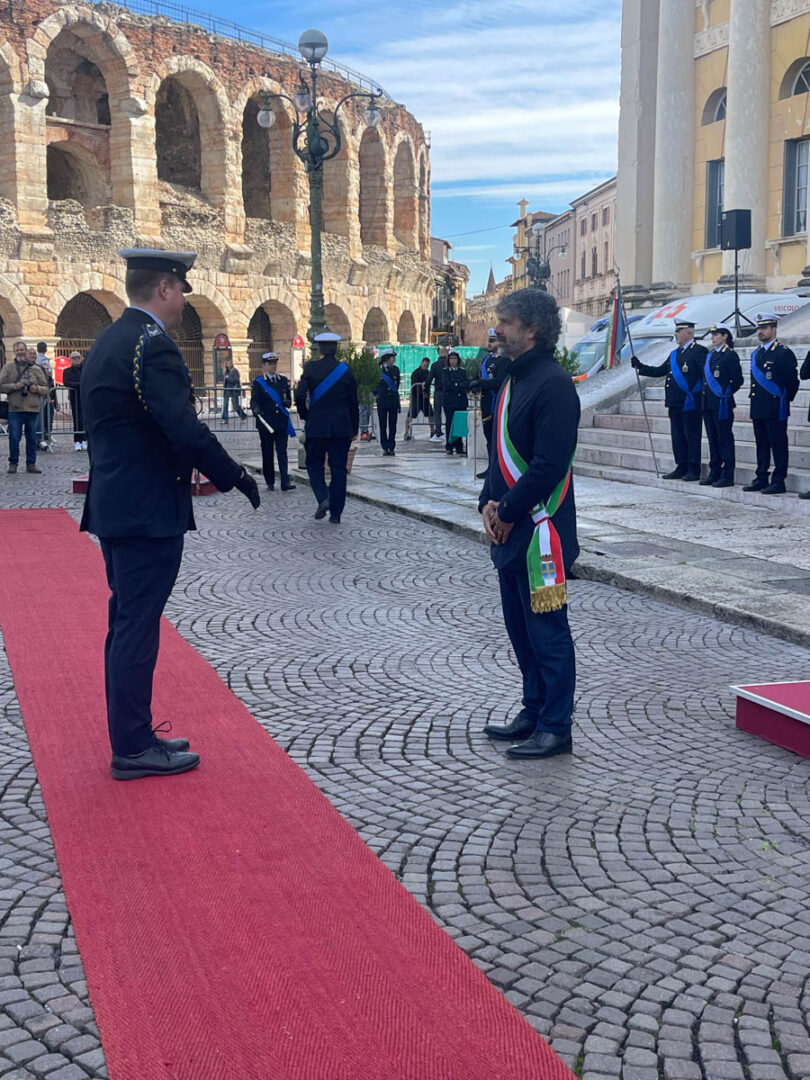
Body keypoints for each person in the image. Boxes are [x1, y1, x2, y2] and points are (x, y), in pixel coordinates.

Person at [80, 248, 260, 781]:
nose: (183, 299)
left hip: (118, 502)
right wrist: (235, 475)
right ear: (163, 288)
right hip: (145, 510)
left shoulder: (110, 340)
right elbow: (182, 427)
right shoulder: (151, 346)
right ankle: (132, 746)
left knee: (126, 623)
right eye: (181, 289)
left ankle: (132, 732)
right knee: (136, 627)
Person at [479, 288, 579, 761]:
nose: (495, 330)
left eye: (504, 322)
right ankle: (533, 710)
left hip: (541, 530)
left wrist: (508, 510)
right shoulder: (512, 381)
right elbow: (496, 458)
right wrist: (486, 503)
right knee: (520, 630)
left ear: (532, 329)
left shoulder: (555, 384)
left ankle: (557, 726)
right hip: (510, 527)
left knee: (548, 634)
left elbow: (548, 465)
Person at [294, 330, 359, 524]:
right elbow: (353, 403)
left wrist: (306, 415)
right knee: (339, 469)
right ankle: (336, 514)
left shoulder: (311, 368)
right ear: (336, 348)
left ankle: (323, 498)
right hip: (341, 428)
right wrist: (354, 428)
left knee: (314, 464)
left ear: (320, 348)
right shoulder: (345, 370)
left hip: (317, 427)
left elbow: (299, 395)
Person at [631, 319, 706, 481]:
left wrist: (700, 397)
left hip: (690, 402)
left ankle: (693, 468)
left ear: (689, 333)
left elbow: (704, 377)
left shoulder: (699, 351)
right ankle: (681, 465)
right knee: (678, 435)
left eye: (679, 331)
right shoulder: (675, 353)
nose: (676, 335)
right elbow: (661, 371)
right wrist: (640, 366)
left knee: (691, 435)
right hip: (675, 402)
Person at [743, 313, 799, 495]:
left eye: (765, 328)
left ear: (774, 329)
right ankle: (761, 477)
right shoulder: (757, 354)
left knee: (778, 445)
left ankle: (778, 480)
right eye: (759, 328)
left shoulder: (782, 353)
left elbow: (792, 382)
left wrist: (784, 400)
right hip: (758, 407)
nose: (760, 332)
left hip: (775, 407)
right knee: (762, 445)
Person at [700, 324, 743, 488]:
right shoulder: (710, 355)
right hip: (708, 403)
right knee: (713, 439)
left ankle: (727, 474)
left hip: (722, 403)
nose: (713, 337)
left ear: (725, 336)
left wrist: (726, 393)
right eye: (712, 334)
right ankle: (715, 470)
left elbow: (738, 380)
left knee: (724, 439)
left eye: (717, 334)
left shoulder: (729, 355)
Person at [250, 351, 296, 492]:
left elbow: (287, 400)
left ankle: (285, 482)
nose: (273, 366)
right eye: (270, 364)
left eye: (274, 363)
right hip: (266, 423)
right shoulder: (259, 383)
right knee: (267, 452)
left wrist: (288, 401)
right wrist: (255, 409)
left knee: (282, 452)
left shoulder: (283, 380)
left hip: (281, 422)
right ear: (264, 365)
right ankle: (269, 481)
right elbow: (254, 400)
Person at [0, 340, 48, 473]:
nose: (20, 352)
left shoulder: (36, 369)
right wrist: (14, 386)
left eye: (22, 350)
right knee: (14, 437)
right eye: (17, 350)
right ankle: (13, 463)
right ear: (14, 352)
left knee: (32, 438)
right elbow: (1, 386)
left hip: (32, 409)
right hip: (15, 409)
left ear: (26, 351)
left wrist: (36, 388)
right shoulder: (8, 368)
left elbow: (46, 389)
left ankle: (31, 464)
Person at [471, 329, 512, 477]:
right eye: (489, 340)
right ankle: (491, 468)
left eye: (493, 340)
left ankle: (499, 469)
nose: (490, 343)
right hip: (486, 404)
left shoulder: (504, 360)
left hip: (497, 404)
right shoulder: (486, 360)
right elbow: (478, 376)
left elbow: (499, 381)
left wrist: (481, 383)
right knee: (488, 437)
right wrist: (473, 384)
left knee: (496, 439)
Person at [442, 350, 469, 455]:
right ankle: (449, 445)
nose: (453, 361)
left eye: (455, 358)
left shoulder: (462, 371)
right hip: (449, 402)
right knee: (450, 424)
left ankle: (459, 445)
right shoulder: (446, 371)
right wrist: (458, 385)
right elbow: (448, 385)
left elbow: (466, 383)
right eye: (451, 359)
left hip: (460, 401)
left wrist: (458, 385)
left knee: (459, 424)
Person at [375, 346, 401, 456]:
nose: (393, 359)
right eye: (392, 357)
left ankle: (391, 445)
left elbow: (397, 384)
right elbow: (374, 385)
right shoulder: (378, 370)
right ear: (386, 358)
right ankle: (384, 446)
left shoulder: (395, 369)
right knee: (383, 424)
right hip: (382, 400)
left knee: (392, 424)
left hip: (392, 401)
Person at [62, 350, 87, 450]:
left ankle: (84, 439)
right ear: (70, 360)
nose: (76, 359)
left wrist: (78, 384)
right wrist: (80, 384)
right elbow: (67, 382)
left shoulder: (85, 369)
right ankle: (77, 440)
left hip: (84, 397)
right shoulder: (67, 371)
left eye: (78, 357)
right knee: (77, 419)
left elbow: (86, 380)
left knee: (85, 419)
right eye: (74, 358)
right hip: (75, 398)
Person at [405, 356, 432, 440]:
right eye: (424, 365)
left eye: (427, 365)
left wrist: (426, 393)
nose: (425, 367)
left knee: (431, 414)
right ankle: (406, 432)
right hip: (416, 398)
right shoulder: (415, 373)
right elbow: (414, 386)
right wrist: (421, 391)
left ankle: (433, 431)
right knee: (410, 415)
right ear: (421, 363)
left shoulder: (428, 372)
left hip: (425, 398)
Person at [35, 342, 56, 450]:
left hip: (42, 393)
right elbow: (48, 377)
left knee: (42, 418)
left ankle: (42, 438)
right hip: (42, 394)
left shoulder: (36, 360)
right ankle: (41, 439)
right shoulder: (43, 361)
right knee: (41, 419)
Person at [428, 352, 448, 442]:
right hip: (448, 392)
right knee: (448, 413)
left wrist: (426, 390)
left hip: (438, 391)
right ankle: (449, 432)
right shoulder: (448, 364)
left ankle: (438, 431)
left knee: (437, 413)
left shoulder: (435, 365)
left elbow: (430, 378)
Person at [221, 355, 246, 423]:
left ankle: (243, 416)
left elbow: (236, 380)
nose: (228, 364)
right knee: (225, 405)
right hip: (226, 390)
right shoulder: (225, 371)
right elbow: (224, 381)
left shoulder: (235, 371)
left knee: (235, 405)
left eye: (230, 363)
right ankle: (224, 419)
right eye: (227, 363)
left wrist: (228, 378)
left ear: (232, 364)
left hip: (233, 390)